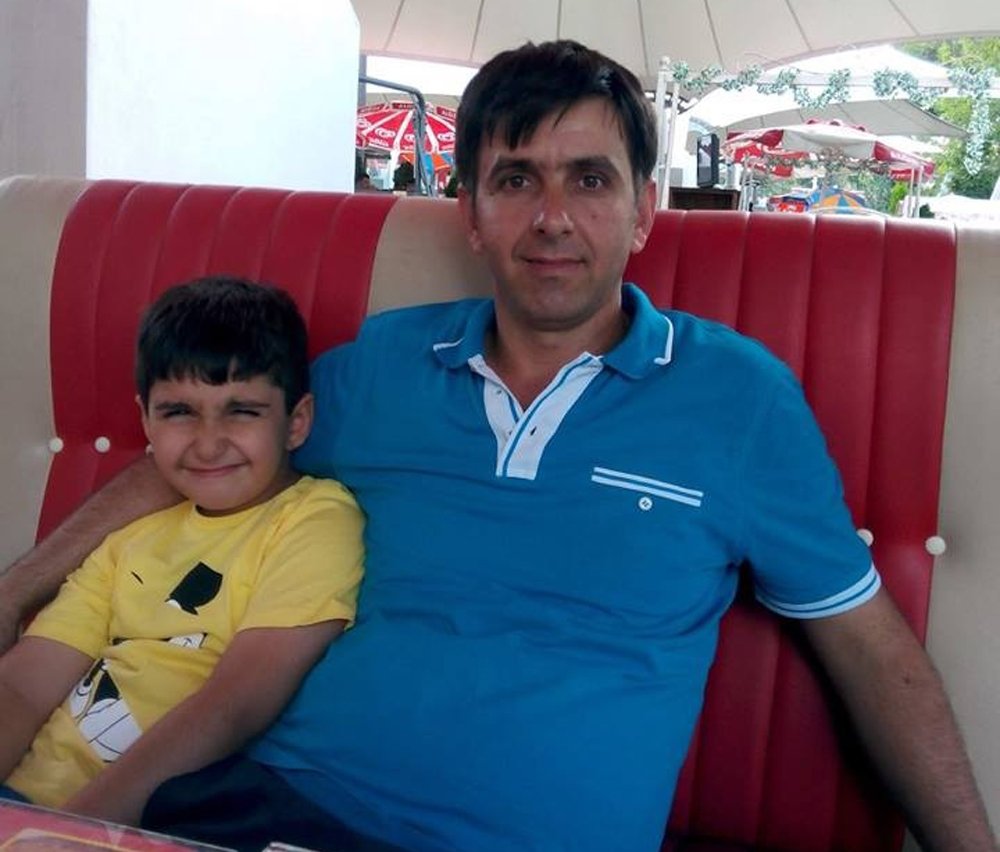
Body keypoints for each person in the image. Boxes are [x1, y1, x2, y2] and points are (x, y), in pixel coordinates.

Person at [0, 41, 995, 852]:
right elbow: (201, 455)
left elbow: (868, 646)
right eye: (515, 179)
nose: (551, 217)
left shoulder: (737, 400)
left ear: (644, 211)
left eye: (589, 179)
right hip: (271, 810)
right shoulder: (381, 367)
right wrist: (17, 593)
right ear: (470, 213)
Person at [0, 278, 364, 829]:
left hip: (141, 820)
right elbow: (23, 687)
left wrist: (72, 833)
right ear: (145, 420)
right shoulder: (130, 537)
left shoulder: (314, 518)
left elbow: (235, 704)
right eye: (178, 412)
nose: (208, 442)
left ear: (296, 422)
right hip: (25, 803)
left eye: (242, 410)